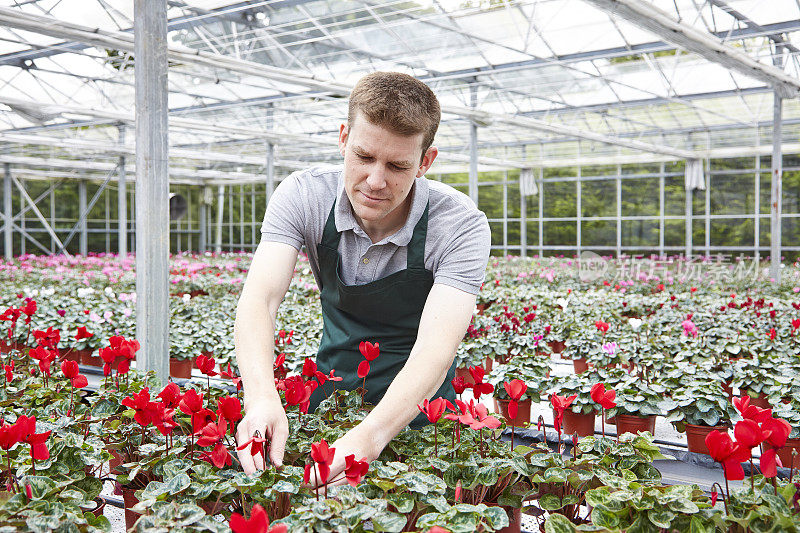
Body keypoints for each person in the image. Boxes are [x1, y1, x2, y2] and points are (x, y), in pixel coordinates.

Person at [234, 72, 491, 482]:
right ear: (343, 138)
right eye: (364, 156)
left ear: (425, 162)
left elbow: (435, 349)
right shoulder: (304, 195)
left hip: (420, 414)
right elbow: (260, 300)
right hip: (334, 395)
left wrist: (372, 435)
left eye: (397, 165)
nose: (375, 181)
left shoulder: (459, 225)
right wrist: (261, 397)